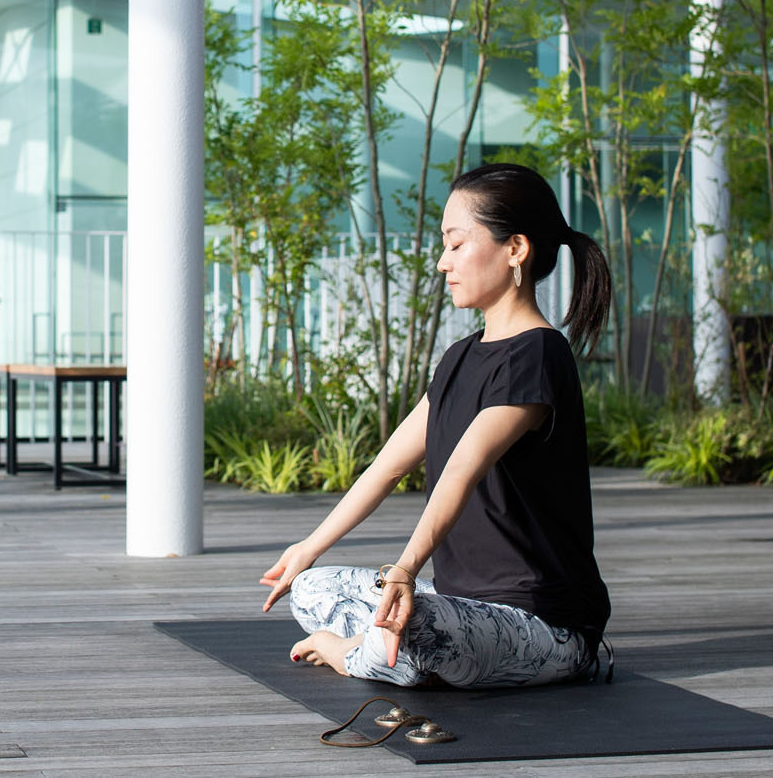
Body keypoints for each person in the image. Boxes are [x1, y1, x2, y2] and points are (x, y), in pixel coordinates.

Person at [259, 162, 613, 688]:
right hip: (461, 608)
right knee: (312, 588)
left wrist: (404, 569)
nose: (443, 263)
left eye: (455, 244)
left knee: (415, 622)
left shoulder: (540, 355)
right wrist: (309, 547)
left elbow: (461, 471)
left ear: (515, 249)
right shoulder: (459, 358)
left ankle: (353, 652)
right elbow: (386, 468)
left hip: (544, 626)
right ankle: (385, 648)